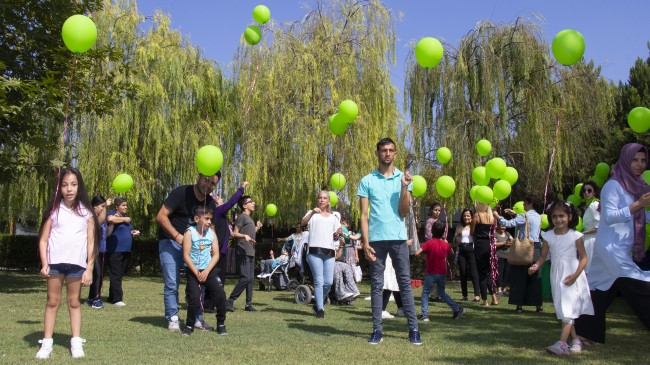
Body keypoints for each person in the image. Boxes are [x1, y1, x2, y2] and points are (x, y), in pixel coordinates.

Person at [575, 143, 650, 344]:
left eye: (643, 160)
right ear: (625, 159)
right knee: (640, 288)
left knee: (598, 291)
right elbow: (609, 217)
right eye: (635, 159)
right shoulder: (613, 185)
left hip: (620, 249)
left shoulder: (639, 186)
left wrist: (642, 206)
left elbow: (644, 216)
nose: (640, 164)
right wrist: (638, 204)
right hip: (610, 249)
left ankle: (583, 333)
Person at [357, 137, 421, 345]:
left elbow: (403, 212)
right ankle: (377, 330)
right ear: (377, 153)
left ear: (395, 153)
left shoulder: (404, 178)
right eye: (383, 150)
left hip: (398, 239)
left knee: (404, 283)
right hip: (376, 240)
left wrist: (404, 188)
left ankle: (413, 330)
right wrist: (365, 243)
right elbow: (364, 215)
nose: (387, 153)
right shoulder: (367, 180)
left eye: (391, 150)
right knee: (376, 285)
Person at [35, 167, 97, 359]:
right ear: (59, 188)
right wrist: (45, 263)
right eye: (64, 185)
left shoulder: (87, 213)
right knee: (52, 301)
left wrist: (89, 269)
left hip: (77, 266)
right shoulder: (53, 211)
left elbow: (91, 243)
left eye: (73, 184)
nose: (69, 189)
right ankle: (46, 343)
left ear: (79, 187)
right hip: (55, 264)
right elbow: (44, 239)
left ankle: (76, 342)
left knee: (74, 303)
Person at [529, 201, 593, 355]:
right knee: (564, 307)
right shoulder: (548, 236)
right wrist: (535, 266)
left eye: (562, 216)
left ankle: (562, 344)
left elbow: (584, 258)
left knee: (568, 308)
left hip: (573, 273)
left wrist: (575, 275)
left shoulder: (575, 236)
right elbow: (543, 256)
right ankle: (576, 340)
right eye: (555, 216)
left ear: (569, 217)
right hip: (557, 273)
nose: (558, 219)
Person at [156, 173, 218, 332]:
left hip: (196, 248)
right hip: (170, 242)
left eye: (213, 184)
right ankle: (173, 318)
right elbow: (161, 216)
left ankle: (197, 319)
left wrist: (211, 244)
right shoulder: (181, 193)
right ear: (198, 177)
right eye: (206, 180)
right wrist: (177, 236)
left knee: (200, 281)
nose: (208, 186)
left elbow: (211, 227)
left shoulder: (210, 202)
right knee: (172, 283)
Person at [181, 206, 228, 336]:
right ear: (197, 219)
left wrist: (206, 271)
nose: (209, 222)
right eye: (206, 219)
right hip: (194, 271)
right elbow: (186, 256)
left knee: (220, 295)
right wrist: (196, 272)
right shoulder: (189, 232)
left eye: (210, 219)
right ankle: (189, 325)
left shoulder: (211, 233)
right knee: (195, 299)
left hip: (209, 270)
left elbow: (216, 255)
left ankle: (221, 324)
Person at [494, 195, 543, 313]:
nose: (523, 205)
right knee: (535, 277)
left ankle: (519, 304)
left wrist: (497, 216)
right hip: (536, 248)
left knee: (520, 276)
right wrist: (514, 214)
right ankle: (537, 304)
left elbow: (508, 223)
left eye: (525, 203)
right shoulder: (538, 216)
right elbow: (527, 223)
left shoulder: (523, 216)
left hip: (524, 249)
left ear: (530, 203)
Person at [301, 191, 342, 318]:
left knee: (328, 282)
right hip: (314, 251)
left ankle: (317, 304)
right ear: (317, 200)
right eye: (320, 198)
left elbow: (338, 230)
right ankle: (320, 309)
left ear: (329, 201)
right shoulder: (311, 213)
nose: (322, 200)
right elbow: (302, 223)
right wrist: (313, 212)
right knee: (319, 281)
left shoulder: (334, 217)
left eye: (325, 198)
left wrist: (339, 233)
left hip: (329, 252)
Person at [416, 221, 464, 321]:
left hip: (431, 273)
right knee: (442, 293)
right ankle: (456, 308)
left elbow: (417, 253)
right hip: (442, 272)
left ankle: (425, 314)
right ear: (443, 233)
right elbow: (452, 253)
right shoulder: (445, 244)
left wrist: (425, 255)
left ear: (432, 231)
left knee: (425, 292)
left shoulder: (428, 243)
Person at [226, 195, 263, 312]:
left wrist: (257, 228)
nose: (254, 203)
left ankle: (248, 304)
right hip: (243, 251)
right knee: (245, 278)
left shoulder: (250, 219)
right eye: (251, 202)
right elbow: (234, 233)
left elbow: (249, 233)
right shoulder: (242, 217)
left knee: (251, 279)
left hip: (250, 251)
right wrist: (244, 236)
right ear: (244, 205)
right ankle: (230, 301)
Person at [105, 197, 140, 306]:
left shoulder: (125, 218)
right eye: (123, 205)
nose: (126, 207)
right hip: (115, 250)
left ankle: (112, 297)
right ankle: (117, 299)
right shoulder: (112, 213)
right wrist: (125, 220)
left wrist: (132, 232)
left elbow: (125, 231)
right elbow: (110, 219)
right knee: (116, 273)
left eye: (126, 205)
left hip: (126, 250)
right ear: (116, 207)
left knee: (118, 274)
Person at [212, 181, 248, 284]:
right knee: (215, 277)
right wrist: (242, 188)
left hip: (222, 250)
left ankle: (219, 298)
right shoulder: (217, 211)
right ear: (215, 203)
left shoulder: (222, 216)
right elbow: (231, 202)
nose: (222, 199)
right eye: (219, 199)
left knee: (221, 277)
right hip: (217, 249)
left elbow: (231, 233)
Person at [472, 203, 499, 306]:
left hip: (480, 245)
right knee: (489, 272)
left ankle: (485, 300)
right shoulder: (492, 217)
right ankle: (494, 298)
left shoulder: (477, 215)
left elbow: (472, 232)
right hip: (490, 245)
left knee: (482, 273)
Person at [86, 195, 110, 309]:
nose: (102, 208)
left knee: (97, 274)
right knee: (98, 274)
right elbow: (99, 223)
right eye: (101, 206)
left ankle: (91, 298)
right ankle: (96, 299)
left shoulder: (99, 216)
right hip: (93, 250)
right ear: (94, 206)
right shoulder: (92, 217)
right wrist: (106, 206)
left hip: (101, 250)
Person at [454, 208, 480, 302]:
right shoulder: (459, 227)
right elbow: (455, 240)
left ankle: (477, 295)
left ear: (472, 217)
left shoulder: (475, 226)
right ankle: (464, 295)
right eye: (464, 216)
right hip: (461, 250)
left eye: (468, 215)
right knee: (463, 273)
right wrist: (457, 240)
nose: (466, 217)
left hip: (471, 250)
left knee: (474, 273)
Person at [579, 180, 600, 274]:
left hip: (592, 241)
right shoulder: (589, 205)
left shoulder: (594, 205)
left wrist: (581, 233)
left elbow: (598, 227)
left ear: (594, 192)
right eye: (584, 190)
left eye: (589, 190)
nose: (586, 192)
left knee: (588, 269)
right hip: (587, 240)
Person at [495, 221, 513, 295]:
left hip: (508, 256)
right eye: (501, 226)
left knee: (507, 273)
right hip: (499, 256)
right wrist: (503, 243)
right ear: (498, 226)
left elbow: (513, 241)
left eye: (504, 226)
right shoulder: (495, 234)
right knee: (500, 272)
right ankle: (499, 289)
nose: (503, 227)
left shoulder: (507, 234)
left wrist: (510, 243)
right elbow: (494, 244)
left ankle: (504, 288)